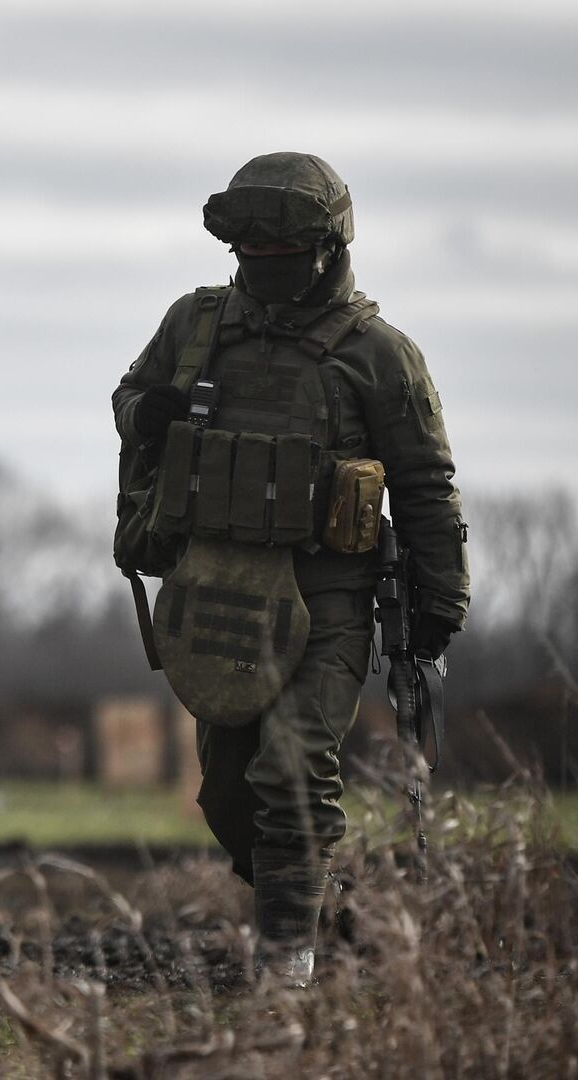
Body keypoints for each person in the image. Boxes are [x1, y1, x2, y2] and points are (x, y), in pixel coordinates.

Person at [112, 152, 468, 984]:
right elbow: (130, 398)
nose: (263, 278)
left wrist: (440, 598)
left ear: (329, 250)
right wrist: (146, 412)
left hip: (328, 596)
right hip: (218, 591)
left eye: (283, 262)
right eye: (251, 263)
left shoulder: (379, 354)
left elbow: (424, 483)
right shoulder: (195, 327)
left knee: (296, 765)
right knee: (230, 797)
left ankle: (286, 969)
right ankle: (326, 911)